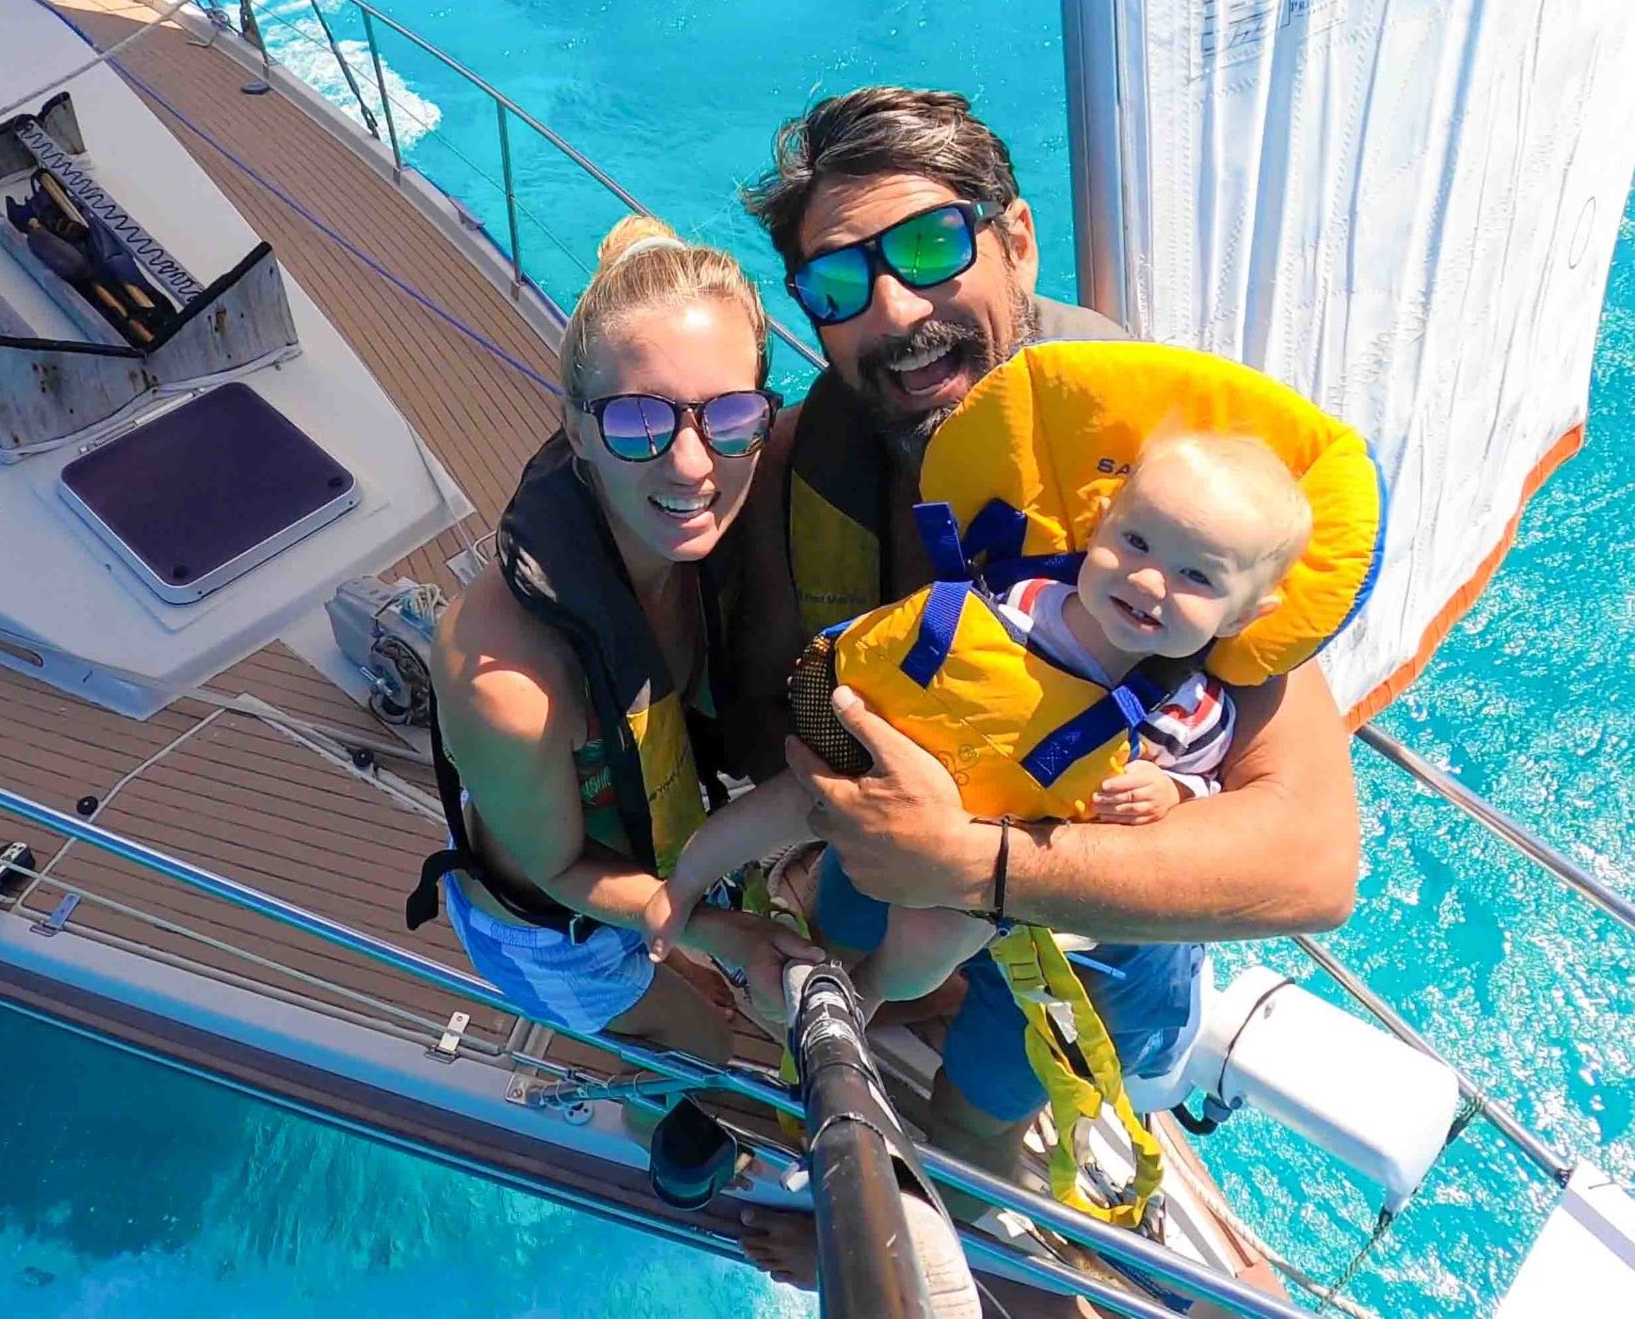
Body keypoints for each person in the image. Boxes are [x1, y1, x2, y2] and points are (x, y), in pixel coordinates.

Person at [726, 87, 1360, 1209]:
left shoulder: (1169, 489)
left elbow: (1313, 862)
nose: (892, 309)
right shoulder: (814, 451)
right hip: (893, 902)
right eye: (836, 282)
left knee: (983, 1128)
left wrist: (973, 869)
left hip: (1083, 926)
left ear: (1015, 240)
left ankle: (958, 1224)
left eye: (929, 245)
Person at [645, 428, 1312, 1020]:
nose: (1149, 581)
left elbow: (1204, 785)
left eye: (1195, 575)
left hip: (985, 842)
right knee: (779, 806)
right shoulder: (1026, 592)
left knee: (930, 950)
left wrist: (1169, 792)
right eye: (1136, 541)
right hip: (884, 769)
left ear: (1241, 617)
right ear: (1100, 524)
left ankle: (869, 993)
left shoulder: (1185, 709)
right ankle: (683, 887)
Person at [411, 216, 821, 1091]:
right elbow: (557, 871)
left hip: (650, 860)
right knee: (698, 1051)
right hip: (552, 928)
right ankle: (656, 1128)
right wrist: (719, 931)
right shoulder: (508, 679)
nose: (691, 465)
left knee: (704, 994)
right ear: (576, 426)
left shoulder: (711, 538)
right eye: (638, 420)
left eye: (730, 415)